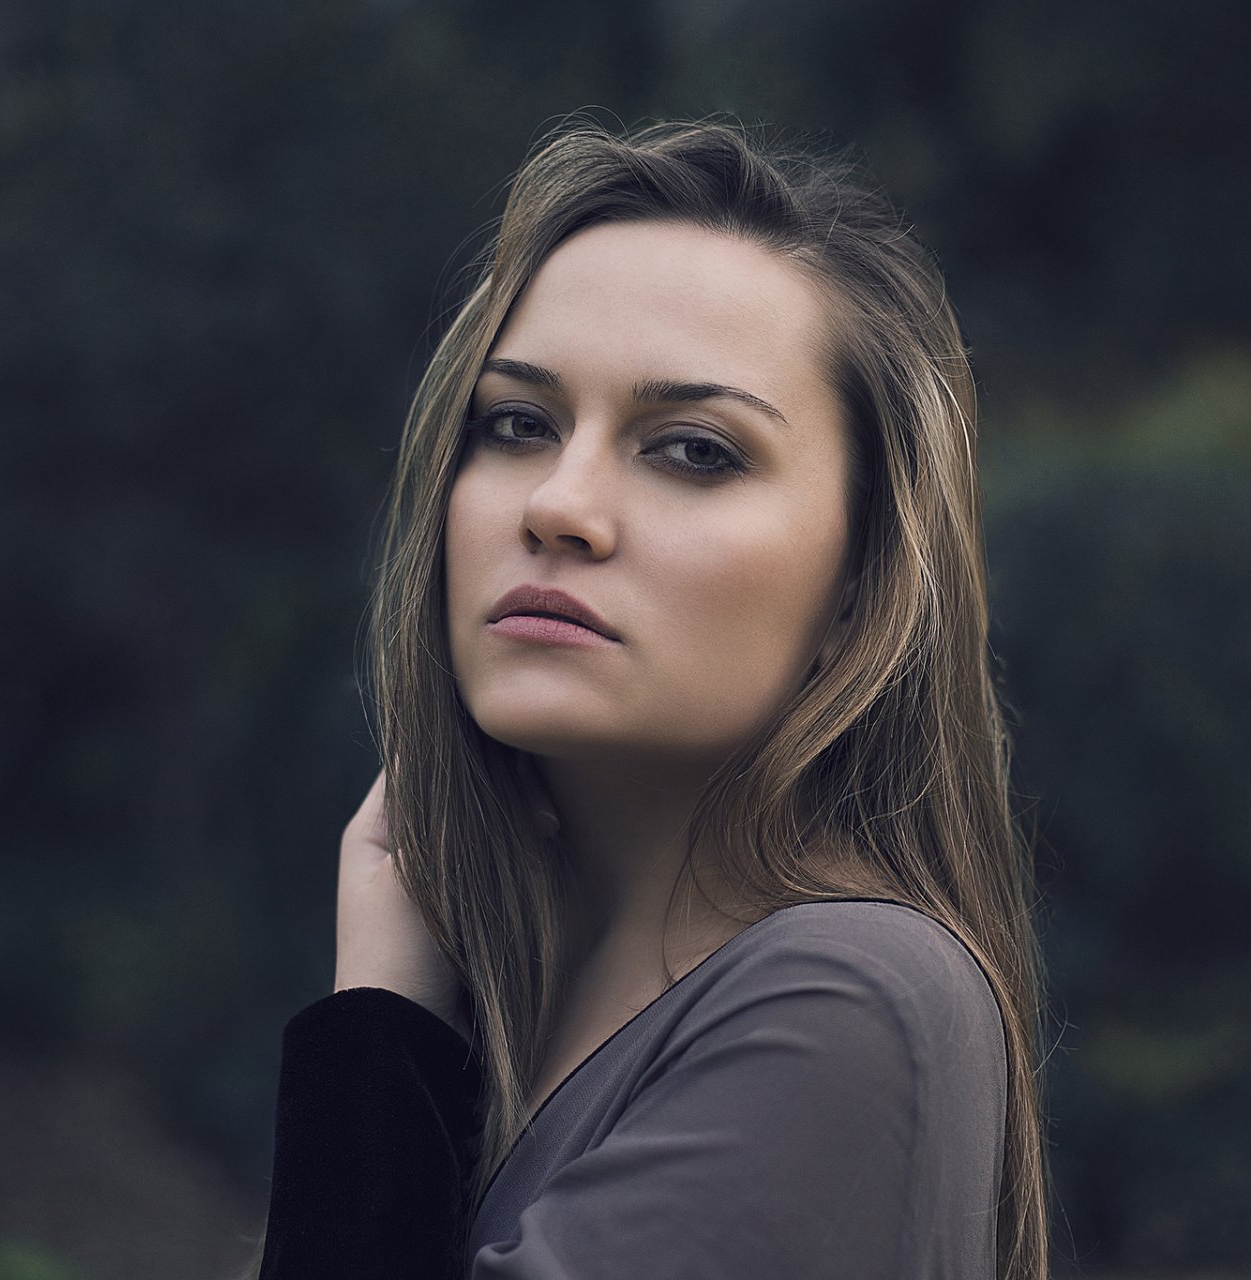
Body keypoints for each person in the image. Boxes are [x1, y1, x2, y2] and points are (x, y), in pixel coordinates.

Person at [251, 115, 1049, 1280]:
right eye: (517, 423)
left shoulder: (849, 999)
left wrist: (374, 1028)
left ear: (858, 587)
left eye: (693, 450)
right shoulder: (498, 1012)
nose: (559, 504)